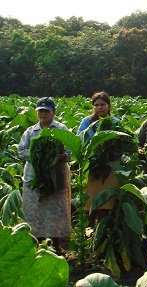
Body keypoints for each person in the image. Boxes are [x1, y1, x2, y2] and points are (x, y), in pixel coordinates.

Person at [18, 97, 71, 254]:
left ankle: (56, 246)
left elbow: (69, 151)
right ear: (37, 113)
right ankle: (38, 244)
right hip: (34, 178)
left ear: (53, 112)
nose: (43, 113)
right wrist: (38, 156)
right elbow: (21, 151)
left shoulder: (61, 129)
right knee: (35, 211)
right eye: (40, 111)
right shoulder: (30, 131)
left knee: (56, 211)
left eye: (46, 110)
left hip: (56, 179)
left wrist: (56, 157)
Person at [77, 91, 120, 223]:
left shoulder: (115, 122)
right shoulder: (86, 122)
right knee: (90, 199)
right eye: (96, 105)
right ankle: (89, 228)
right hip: (92, 165)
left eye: (103, 104)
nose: (99, 107)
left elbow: (121, 142)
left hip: (110, 166)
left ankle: (104, 227)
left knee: (107, 202)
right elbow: (80, 139)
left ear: (109, 106)